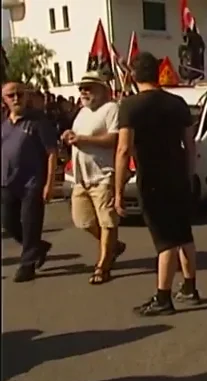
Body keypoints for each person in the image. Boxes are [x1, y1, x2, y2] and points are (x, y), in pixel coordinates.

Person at [115, 52, 201, 315]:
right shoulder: (177, 104)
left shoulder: (130, 106)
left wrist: (118, 191)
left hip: (152, 178)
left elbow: (123, 149)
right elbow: (190, 144)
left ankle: (163, 297)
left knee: (165, 241)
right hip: (177, 176)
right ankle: (189, 287)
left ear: (133, 75)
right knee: (183, 234)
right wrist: (188, 174)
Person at [62, 71, 126, 284]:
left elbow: (113, 139)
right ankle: (113, 246)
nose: (83, 92)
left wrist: (82, 139)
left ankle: (103, 266)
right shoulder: (82, 112)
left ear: (102, 90)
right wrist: (69, 136)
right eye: (81, 88)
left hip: (103, 175)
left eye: (89, 87)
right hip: (81, 178)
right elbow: (77, 136)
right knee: (83, 221)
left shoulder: (111, 109)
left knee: (107, 222)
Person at [1, 82, 56, 282]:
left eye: (20, 94)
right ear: (4, 100)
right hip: (7, 183)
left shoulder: (38, 122)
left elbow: (51, 153)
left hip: (32, 184)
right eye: (11, 95)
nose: (16, 98)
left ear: (26, 96)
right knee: (8, 222)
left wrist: (49, 184)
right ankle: (38, 247)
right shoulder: (4, 125)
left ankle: (27, 265)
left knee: (31, 224)